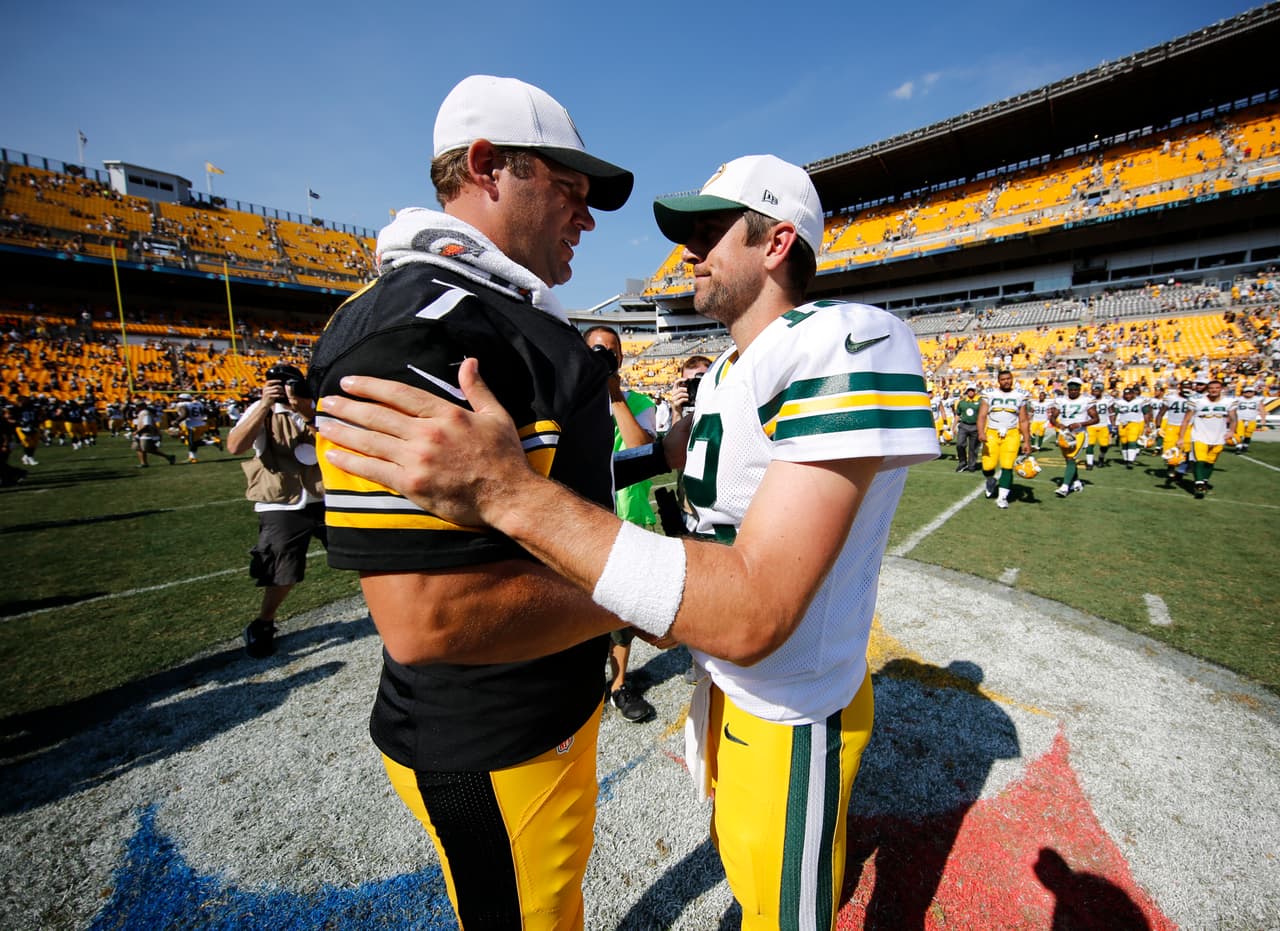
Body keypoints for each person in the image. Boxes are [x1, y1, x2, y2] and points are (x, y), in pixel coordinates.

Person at [316, 153, 939, 930]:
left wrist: (509, 490)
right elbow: (661, 452)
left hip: (790, 695)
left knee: (787, 911)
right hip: (726, 684)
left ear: (778, 243)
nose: (689, 253)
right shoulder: (725, 374)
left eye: (710, 232)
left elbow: (755, 609)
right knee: (745, 871)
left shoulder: (846, 339)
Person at [308, 74, 634, 930]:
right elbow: (430, 617)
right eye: (569, 188)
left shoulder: (492, 309)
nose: (587, 215)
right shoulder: (426, 323)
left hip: (536, 705)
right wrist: (641, 589)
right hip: (494, 730)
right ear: (487, 166)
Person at [584, 324, 658, 724]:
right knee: (581, 606)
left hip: (629, 524)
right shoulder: (572, 404)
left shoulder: (637, 400)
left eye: (611, 350)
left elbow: (639, 447)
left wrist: (614, 395)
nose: (604, 354)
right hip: (583, 525)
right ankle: (585, 681)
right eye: (596, 348)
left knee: (621, 612)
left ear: (621, 359)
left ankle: (619, 684)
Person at [226, 364, 326, 657]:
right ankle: (264, 623)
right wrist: (265, 404)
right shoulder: (262, 410)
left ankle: (379, 610)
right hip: (281, 501)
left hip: (323, 496)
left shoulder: (312, 407)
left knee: (359, 553)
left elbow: (338, 443)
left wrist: (306, 411)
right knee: (283, 572)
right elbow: (235, 446)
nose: (285, 389)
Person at [976, 369, 1031, 509]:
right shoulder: (990, 394)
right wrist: (981, 432)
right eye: (1003, 379)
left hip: (1011, 434)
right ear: (998, 381)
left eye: (1008, 378)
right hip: (992, 433)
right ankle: (990, 480)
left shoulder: (1020, 395)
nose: (1006, 381)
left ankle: (1002, 497)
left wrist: (1027, 441)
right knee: (988, 466)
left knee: (1007, 466)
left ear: (1012, 379)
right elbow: (982, 415)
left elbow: (1023, 420)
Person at [1176, 378, 1237, 499]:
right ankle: (1198, 484)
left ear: (1221, 389)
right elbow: (1186, 419)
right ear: (1207, 390)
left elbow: (1234, 418)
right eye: (1211, 388)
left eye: (1217, 388)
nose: (1214, 390)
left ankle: (1204, 481)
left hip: (1219, 436)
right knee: (1200, 459)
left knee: (1210, 461)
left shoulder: (1228, 402)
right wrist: (1181, 437)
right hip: (1199, 435)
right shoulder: (1198, 401)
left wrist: (1231, 431)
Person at [1048, 377, 1098, 498]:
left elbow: (1096, 419)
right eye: (1071, 389)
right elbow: (1053, 417)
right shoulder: (1061, 400)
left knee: (1071, 458)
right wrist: (1058, 424)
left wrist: (1080, 424)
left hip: (1079, 433)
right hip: (1064, 434)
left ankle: (1065, 487)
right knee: (1069, 459)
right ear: (1067, 389)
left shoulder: (1086, 400)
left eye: (1076, 389)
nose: (1073, 392)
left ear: (1080, 389)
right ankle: (1076, 482)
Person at [1112, 385, 1152, 469]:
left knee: (1132, 441)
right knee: (1124, 442)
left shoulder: (1140, 401)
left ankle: (1130, 461)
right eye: (1126, 394)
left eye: (1129, 394)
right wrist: (1113, 424)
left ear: (1133, 394)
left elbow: (1146, 413)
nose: (1128, 396)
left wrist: (1147, 425)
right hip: (1122, 424)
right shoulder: (1119, 402)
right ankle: (1126, 459)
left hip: (1135, 423)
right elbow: (1115, 413)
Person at [131, 398, 175, 467]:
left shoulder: (146, 413)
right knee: (138, 447)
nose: (136, 408)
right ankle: (143, 463)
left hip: (147, 433)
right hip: (141, 433)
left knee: (147, 448)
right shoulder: (141, 413)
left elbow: (147, 425)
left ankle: (168, 457)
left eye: (137, 406)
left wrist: (137, 431)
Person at [952, 382, 981, 472]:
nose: (971, 392)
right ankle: (962, 462)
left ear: (975, 391)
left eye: (972, 390)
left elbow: (984, 415)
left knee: (973, 448)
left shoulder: (980, 402)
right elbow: (958, 414)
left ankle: (971, 464)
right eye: (969, 390)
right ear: (967, 391)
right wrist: (953, 425)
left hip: (975, 426)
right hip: (963, 425)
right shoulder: (962, 402)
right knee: (960, 444)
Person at [1084, 382, 1114, 469]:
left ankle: (1101, 457)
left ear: (1101, 391)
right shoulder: (1087, 399)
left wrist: (1113, 425)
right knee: (1090, 444)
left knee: (1104, 445)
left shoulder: (1107, 399)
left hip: (1103, 425)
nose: (1095, 392)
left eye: (1097, 390)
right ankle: (1090, 463)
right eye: (1094, 390)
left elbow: (1111, 413)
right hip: (1090, 426)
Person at [1232, 383, 1266, 452]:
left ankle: (1245, 446)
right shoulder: (1239, 399)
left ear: (1254, 392)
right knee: (1239, 434)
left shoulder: (1257, 400)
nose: (1249, 393)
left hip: (1252, 419)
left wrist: (1263, 419)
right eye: (1247, 392)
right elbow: (1233, 409)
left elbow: (1262, 409)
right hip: (1240, 419)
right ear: (1243, 393)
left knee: (1248, 434)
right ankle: (1239, 447)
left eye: (1250, 391)